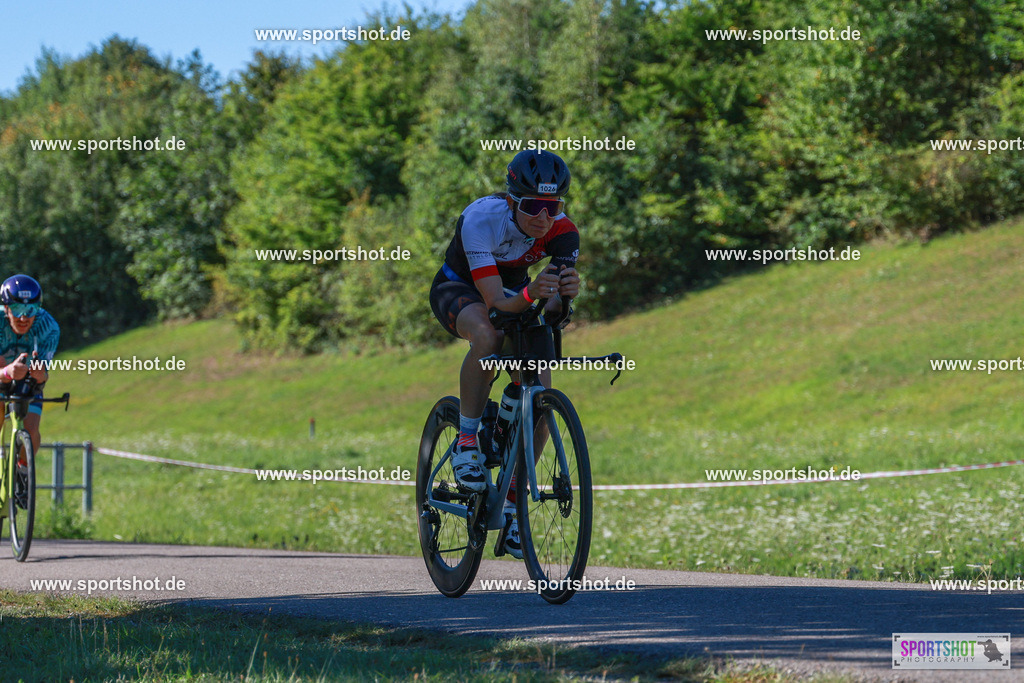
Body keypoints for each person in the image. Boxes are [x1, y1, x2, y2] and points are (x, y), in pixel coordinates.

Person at [429, 150, 580, 558]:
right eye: (533, 206)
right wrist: (534, 294)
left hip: (514, 291)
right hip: (461, 289)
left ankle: (513, 507)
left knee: (541, 396)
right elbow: (495, 301)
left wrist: (562, 299)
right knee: (490, 336)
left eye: (553, 207)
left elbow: (552, 314)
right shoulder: (481, 219)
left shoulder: (564, 233)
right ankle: (465, 441)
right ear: (512, 200)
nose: (543, 218)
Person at [0, 275, 60, 465]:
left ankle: (24, 474)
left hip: (27, 381)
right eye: (17, 310)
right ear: (6, 308)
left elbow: (42, 377)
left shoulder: (48, 327)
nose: (24, 317)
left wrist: (40, 375)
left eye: (30, 309)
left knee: (31, 429)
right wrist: (7, 372)